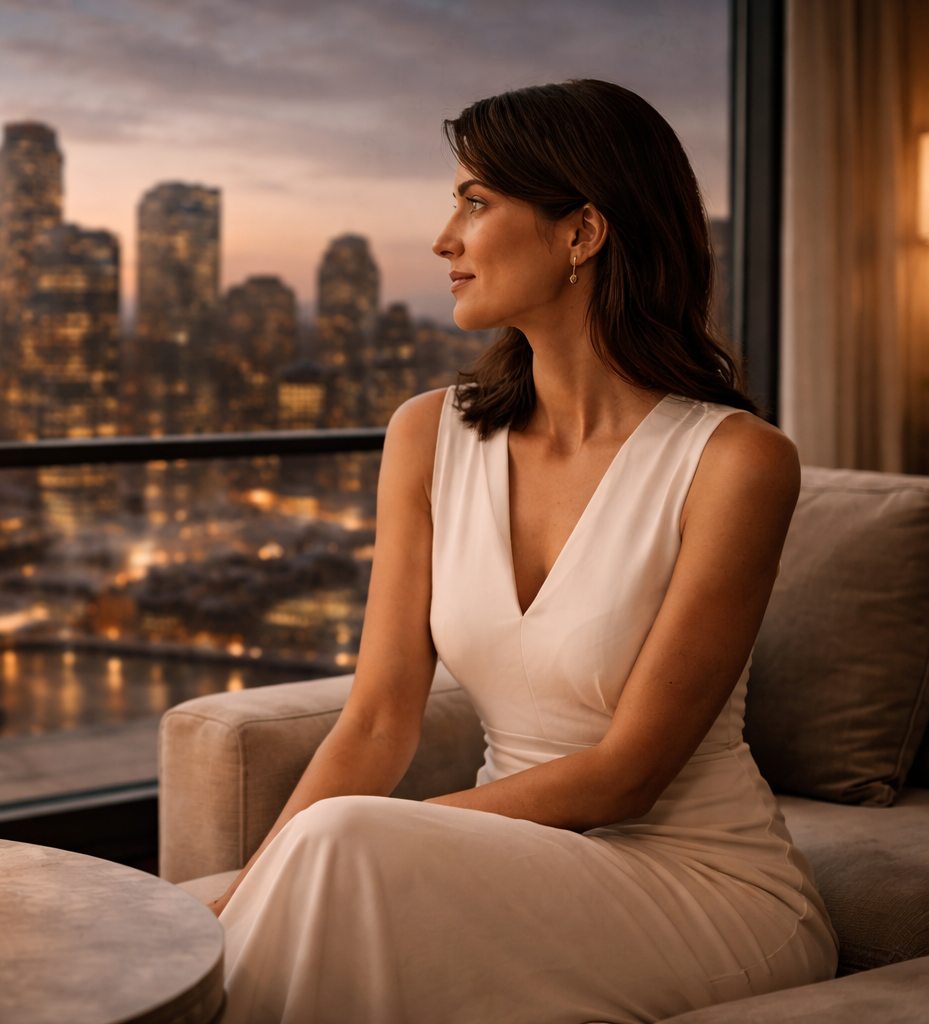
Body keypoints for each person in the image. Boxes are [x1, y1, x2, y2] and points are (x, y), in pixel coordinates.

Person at [210, 80, 838, 1024]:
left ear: (582, 232)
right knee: (273, 891)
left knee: (340, 852)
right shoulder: (428, 434)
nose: (443, 239)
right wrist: (255, 885)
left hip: (702, 885)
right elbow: (378, 723)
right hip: (519, 857)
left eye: (476, 202)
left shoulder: (738, 463)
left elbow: (629, 774)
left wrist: (342, 842)